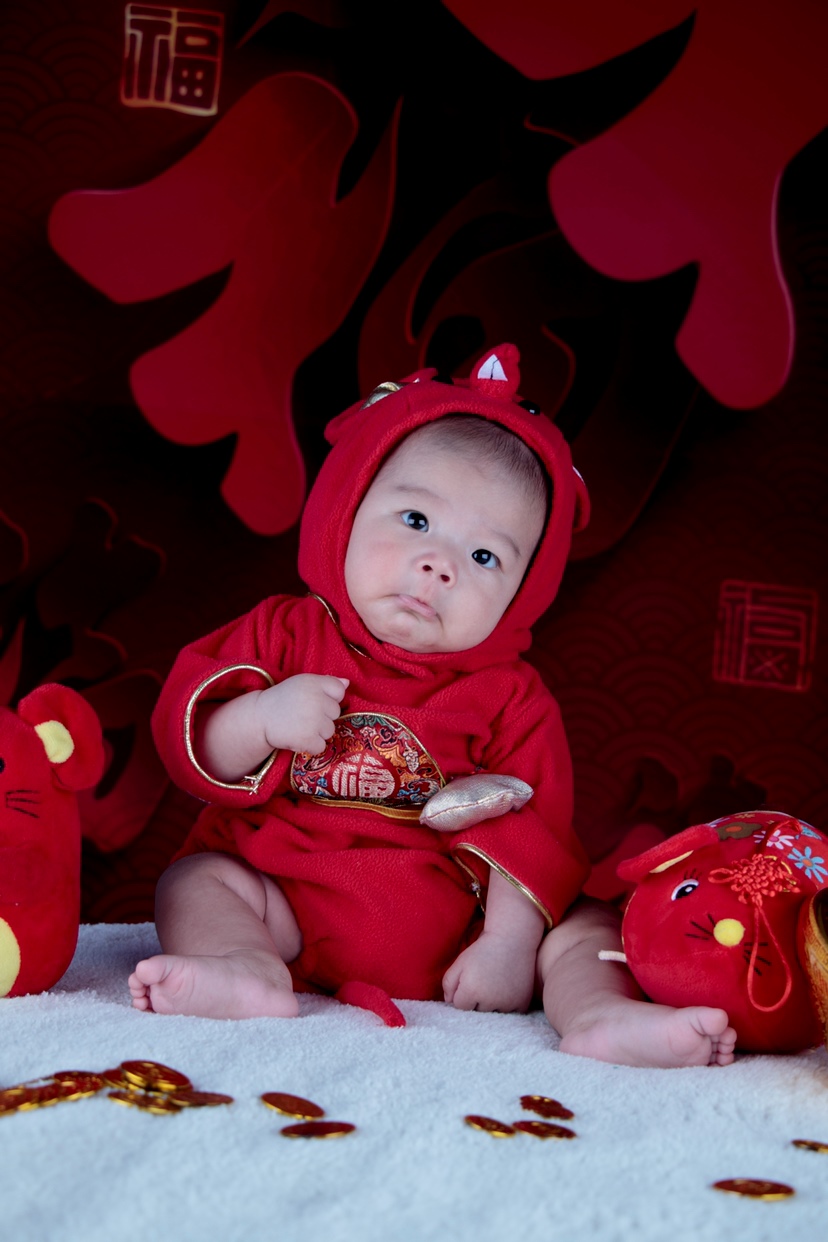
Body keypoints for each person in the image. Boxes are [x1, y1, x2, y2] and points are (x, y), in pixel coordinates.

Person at [130, 344, 737, 1068]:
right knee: (195, 881)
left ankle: (599, 1016)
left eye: (485, 558)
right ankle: (244, 967)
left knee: (588, 928)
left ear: (524, 592)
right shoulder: (283, 634)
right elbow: (189, 742)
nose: (439, 565)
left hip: (458, 927)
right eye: (415, 519)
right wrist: (260, 720)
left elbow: (536, 831)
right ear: (347, 508)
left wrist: (508, 942)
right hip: (285, 897)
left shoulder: (510, 696)